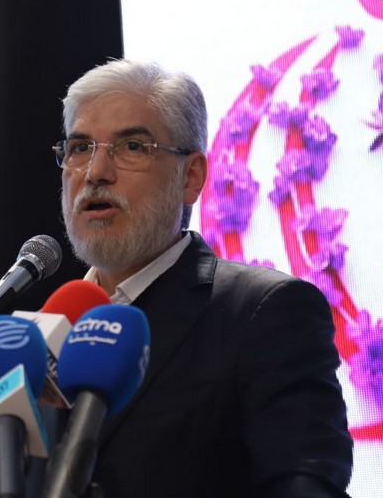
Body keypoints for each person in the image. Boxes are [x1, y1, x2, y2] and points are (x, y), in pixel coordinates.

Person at [54, 59, 353, 497]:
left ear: (191, 177)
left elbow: (307, 485)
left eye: (132, 146)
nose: (95, 171)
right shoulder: (42, 333)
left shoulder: (263, 313)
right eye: (80, 147)